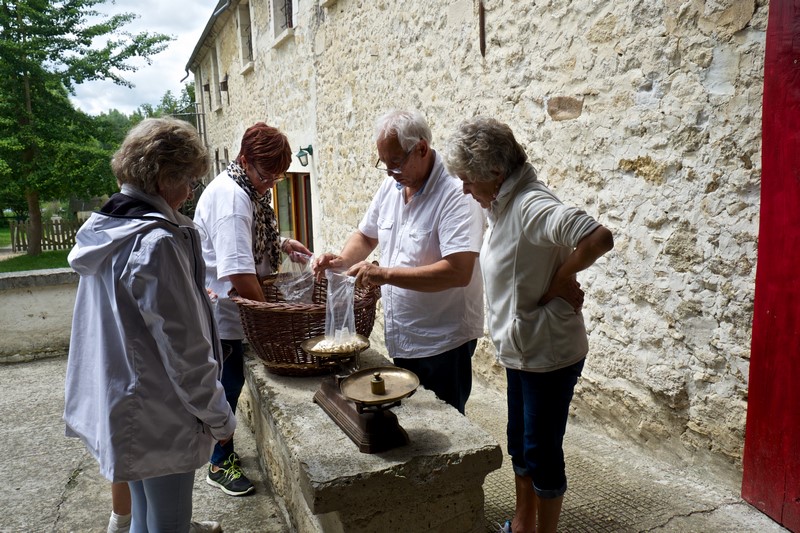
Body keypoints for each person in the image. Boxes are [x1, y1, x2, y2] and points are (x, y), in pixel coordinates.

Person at [64, 117, 236, 533]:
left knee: (143, 516)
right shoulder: (154, 242)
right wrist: (218, 416)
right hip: (159, 413)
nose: (191, 192)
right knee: (169, 522)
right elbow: (185, 350)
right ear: (164, 178)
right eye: (189, 180)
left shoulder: (112, 229)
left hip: (129, 404)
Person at [444, 116, 614, 533]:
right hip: (522, 350)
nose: (464, 189)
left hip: (548, 354)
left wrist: (561, 279)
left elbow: (598, 238)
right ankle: (523, 524)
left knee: (542, 451)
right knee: (520, 441)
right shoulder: (503, 206)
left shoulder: (530, 205)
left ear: (495, 172)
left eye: (468, 179)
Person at [313, 109, 485, 414]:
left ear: (422, 149)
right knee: (409, 420)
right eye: (384, 163)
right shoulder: (393, 186)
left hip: (443, 343)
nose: (390, 173)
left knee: (443, 424)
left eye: (396, 162)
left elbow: (458, 272)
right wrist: (341, 261)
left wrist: (384, 274)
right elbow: (366, 236)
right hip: (404, 336)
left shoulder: (456, 192)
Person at [193, 122, 311, 496]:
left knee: (230, 385)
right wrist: (271, 321)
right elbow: (240, 273)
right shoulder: (232, 200)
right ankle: (218, 462)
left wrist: (283, 243)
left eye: (277, 178)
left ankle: (220, 452)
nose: (269, 185)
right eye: (265, 176)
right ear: (244, 160)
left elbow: (249, 241)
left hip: (232, 311)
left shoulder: (244, 188)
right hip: (226, 315)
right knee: (226, 389)